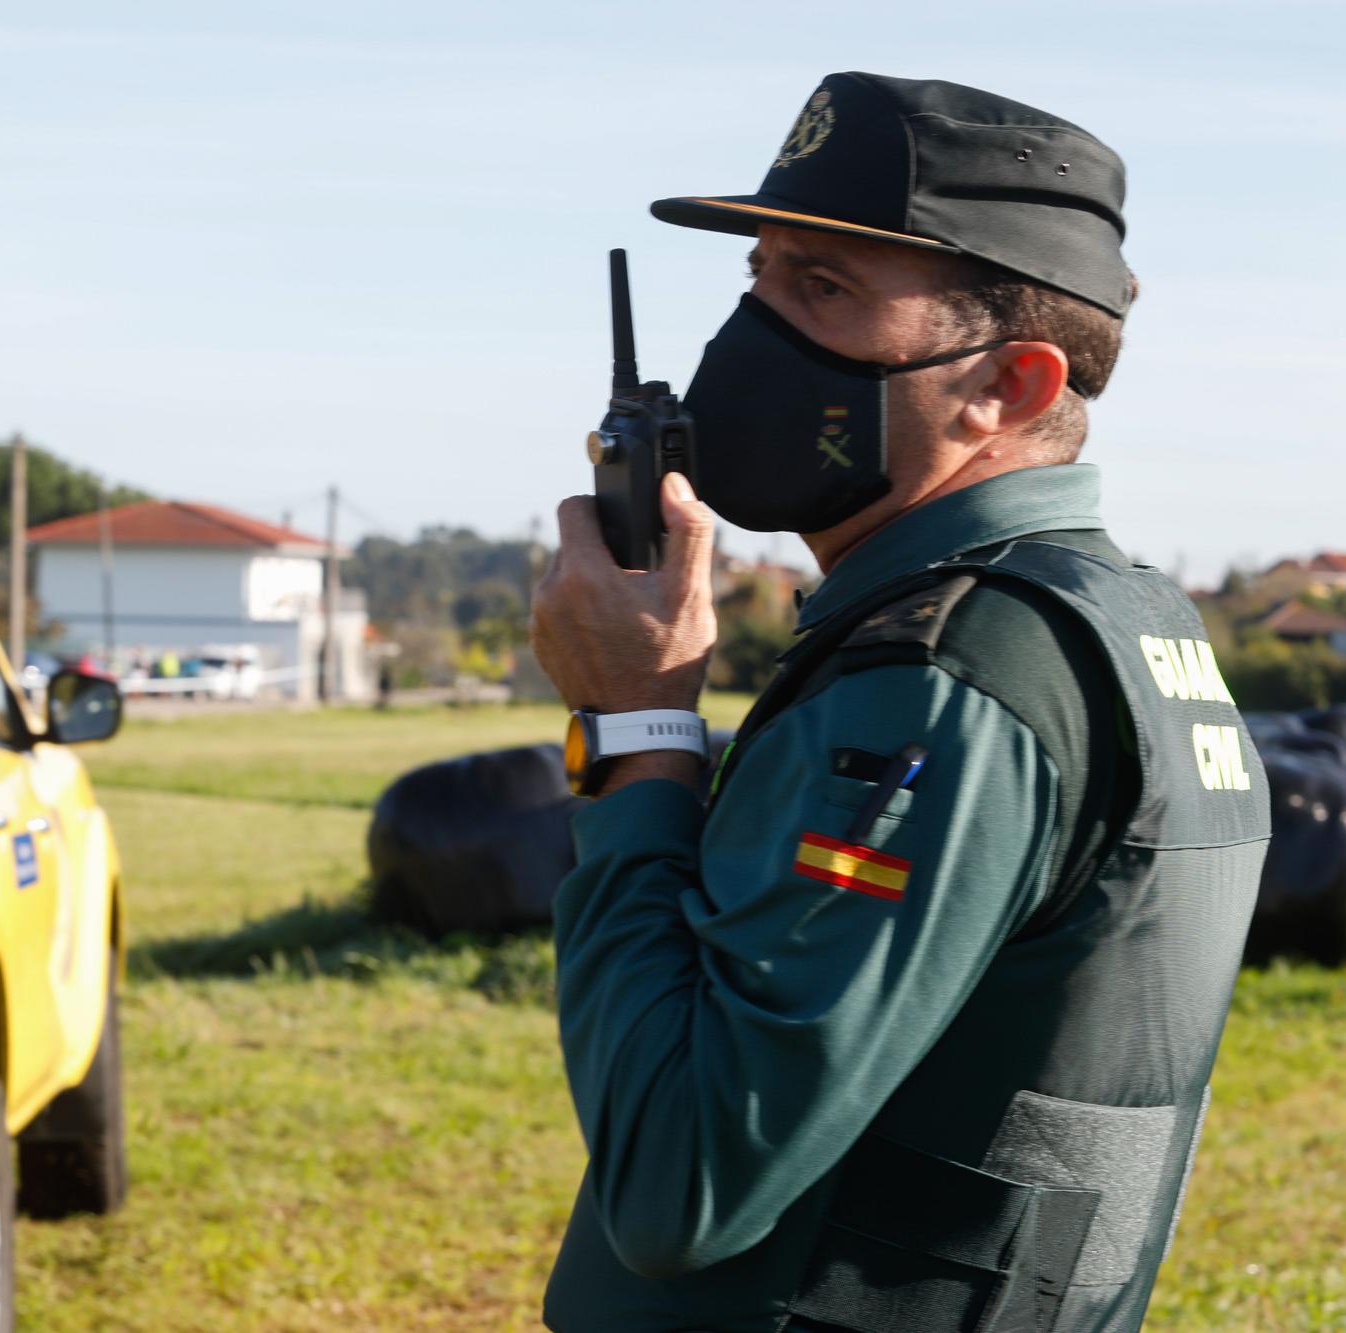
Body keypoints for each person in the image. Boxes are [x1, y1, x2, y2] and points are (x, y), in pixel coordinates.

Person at [529, 72, 1270, 1333]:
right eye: (757, 279)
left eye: (824, 289)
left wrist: (640, 725)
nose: (747, 340)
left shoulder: (942, 673)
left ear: (1010, 389)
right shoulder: (1125, 620)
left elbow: (679, 1183)